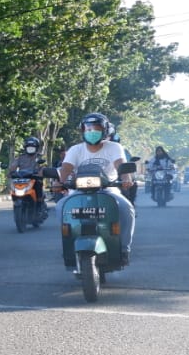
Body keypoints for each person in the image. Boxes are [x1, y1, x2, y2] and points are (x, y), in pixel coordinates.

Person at [57, 113, 135, 265]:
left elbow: (121, 165)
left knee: (127, 209)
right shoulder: (75, 149)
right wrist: (59, 182)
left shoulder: (114, 147)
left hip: (108, 190)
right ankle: (69, 245)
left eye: (97, 128)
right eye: (88, 128)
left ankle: (124, 249)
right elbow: (66, 168)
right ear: (82, 131)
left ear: (105, 130)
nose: (92, 131)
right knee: (61, 207)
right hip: (79, 191)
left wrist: (126, 179)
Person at [8, 136, 46, 205]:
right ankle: (16, 200)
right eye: (29, 148)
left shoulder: (39, 157)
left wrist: (41, 172)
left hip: (34, 178)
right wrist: (11, 172)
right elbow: (14, 166)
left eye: (32, 148)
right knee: (14, 184)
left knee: (39, 183)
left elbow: (43, 167)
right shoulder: (20, 157)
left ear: (36, 148)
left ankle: (40, 202)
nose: (30, 149)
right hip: (22, 179)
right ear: (25, 148)